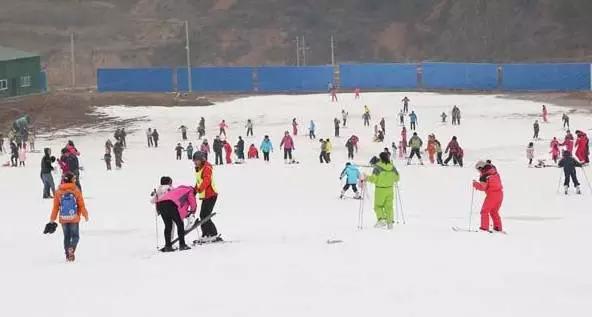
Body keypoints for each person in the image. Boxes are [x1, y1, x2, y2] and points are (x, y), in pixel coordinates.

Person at [48, 172, 89, 261]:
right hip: (74, 217)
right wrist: (85, 214)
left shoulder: (59, 191)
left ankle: (67, 255)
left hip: (63, 218)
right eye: (73, 178)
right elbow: (81, 204)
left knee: (66, 236)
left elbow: (55, 207)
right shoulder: (75, 190)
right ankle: (72, 248)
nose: (75, 180)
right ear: (71, 179)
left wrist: (52, 219)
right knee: (75, 236)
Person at [154, 182, 195, 252]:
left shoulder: (179, 189)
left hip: (160, 204)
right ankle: (182, 245)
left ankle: (168, 246)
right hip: (170, 204)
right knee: (180, 224)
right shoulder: (190, 191)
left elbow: (180, 207)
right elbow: (193, 204)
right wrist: (192, 212)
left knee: (168, 226)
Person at [365, 152, 400, 230]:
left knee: (378, 206)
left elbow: (374, 179)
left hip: (380, 189)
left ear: (380, 158)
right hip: (390, 189)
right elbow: (397, 178)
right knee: (389, 207)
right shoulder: (392, 166)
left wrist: (366, 178)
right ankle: (390, 223)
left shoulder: (377, 167)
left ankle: (381, 219)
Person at [193, 151, 221, 243]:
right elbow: (199, 181)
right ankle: (206, 234)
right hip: (206, 196)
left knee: (205, 216)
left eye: (197, 160)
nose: (195, 162)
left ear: (202, 159)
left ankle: (213, 234)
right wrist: (194, 190)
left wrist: (200, 189)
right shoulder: (199, 168)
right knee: (203, 215)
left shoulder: (207, 168)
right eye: (194, 161)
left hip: (211, 195)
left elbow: (207, 180)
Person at [473, 161, 504, 232]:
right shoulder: (494, 171)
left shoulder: (484, 176)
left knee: (484, 211)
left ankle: (484, 228)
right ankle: (498, 227)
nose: (478, 171)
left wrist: (475, 184)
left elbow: (483, 187)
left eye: (478, 169)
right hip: (500, 194)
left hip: (492, 195)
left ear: (481, 168)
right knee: (494, 211)